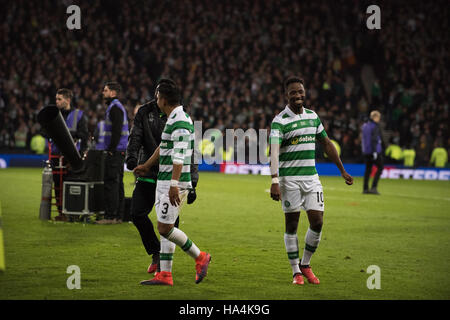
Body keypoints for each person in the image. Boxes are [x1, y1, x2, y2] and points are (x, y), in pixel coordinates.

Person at [269, 76, 353, 286]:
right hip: (290, 180)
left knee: (317, 221)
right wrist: (274, 179)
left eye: (300, 91)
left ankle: (305, 264)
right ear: (286, 96)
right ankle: (295, 271)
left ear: (305, 92)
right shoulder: (280, 121)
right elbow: (274, 153)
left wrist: (342, 170)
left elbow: (326, 143)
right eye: (293, 92)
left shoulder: (313, 117)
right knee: (292, 224)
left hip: (311, 178)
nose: (297, 95)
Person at [134, 79, 210, 286]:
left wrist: (174, 184)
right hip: (165, 180)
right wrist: (147, 166)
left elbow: (179, 156)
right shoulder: (173, 118)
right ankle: (165, 275)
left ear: (164, 99)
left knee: (165, 228)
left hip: (173, 182)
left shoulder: (181, 121)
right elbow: (163, 147)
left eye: (158, 96)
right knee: (165, 228)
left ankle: (200, 257)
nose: (156, 99)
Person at [47, 88, 88, 221]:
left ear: (68, 100)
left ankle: (71, 212)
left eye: (59, 99)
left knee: (71, 185)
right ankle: (61, 213)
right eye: (56, 99)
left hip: (71, 157)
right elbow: (44, 131)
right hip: (55, 155)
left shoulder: (79, 115)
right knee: (58, 186)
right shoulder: (53, 114)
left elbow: (84, 135)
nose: (57, 102)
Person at [96, 82, 129, 225]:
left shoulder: (115, 108)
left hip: (115, 151)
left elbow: (115, 131)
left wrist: (110, 149)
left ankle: (110, 216)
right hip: (119, 150)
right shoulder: (116, 107)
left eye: (106, 90)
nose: (103, 93)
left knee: (111, 183)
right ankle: (118, 216)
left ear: (113, 93)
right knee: (117, 183)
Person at [361, 110, 384, 194]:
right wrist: (375, 151)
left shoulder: (364, 125)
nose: (379, 119)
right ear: (375, 117)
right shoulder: (375, 126)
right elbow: (374, 139)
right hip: (374, 151)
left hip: (366, 151)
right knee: (380, 167)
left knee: (368, 170)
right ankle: (374, 187)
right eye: (378, 117)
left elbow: (364, 139)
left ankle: (365, 189)